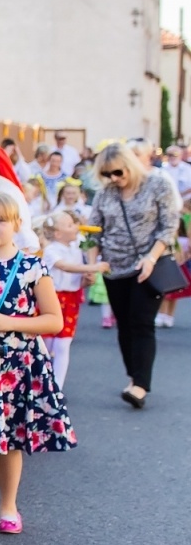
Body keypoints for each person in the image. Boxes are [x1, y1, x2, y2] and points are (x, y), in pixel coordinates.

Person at [0, 192, 74, 535]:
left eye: (0, 220)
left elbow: (53, 321)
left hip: (16, 363)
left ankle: (8, 505)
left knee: (10, 439)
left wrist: (10, 322)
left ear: (17, 224)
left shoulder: (32, 266)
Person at [91, 142, 178, 407]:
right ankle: (133, 376)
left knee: (141, 322)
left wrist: (151, 258)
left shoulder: (157, 184)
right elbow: (93, 231)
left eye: (117, 172)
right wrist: (92, 265)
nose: (113, 179)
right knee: (124, 325)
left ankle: (140, 385)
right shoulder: (105, 193)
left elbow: (169, 225)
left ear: (129, 164)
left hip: (148, 264)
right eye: (106, 174)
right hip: (115, 268)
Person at [40, 209, 109, 386]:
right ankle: (41, 382)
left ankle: (57, 387)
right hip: (53, 298)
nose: (76, 227)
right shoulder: (51, 250)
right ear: (57, 233)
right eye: (70, 225)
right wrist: (92, 268)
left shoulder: (76, 247)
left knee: (63, 344)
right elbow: (65, 267)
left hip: (71, 298)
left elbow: (76, 276)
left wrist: (87, 279)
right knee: (46, 344)